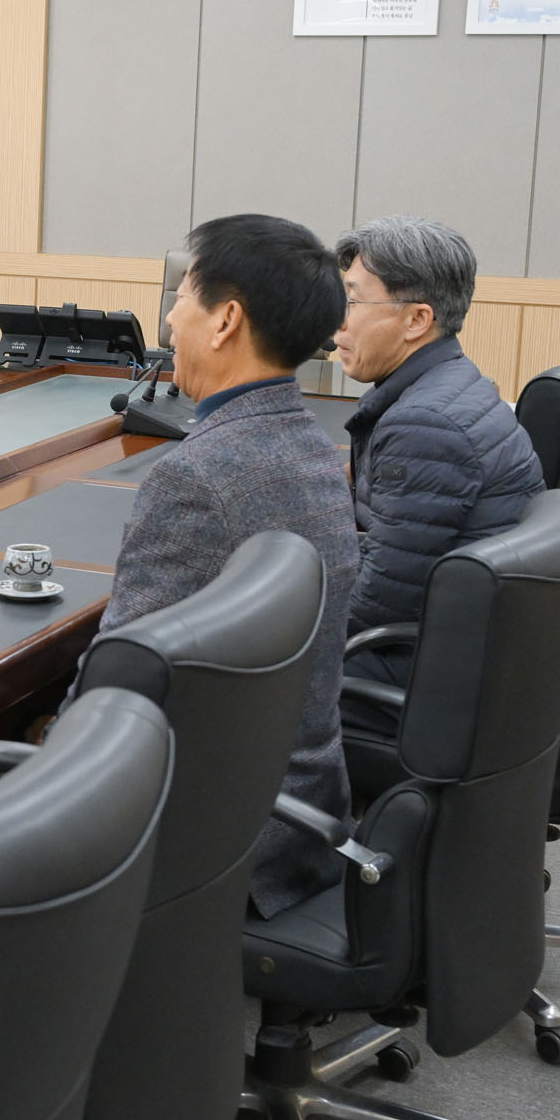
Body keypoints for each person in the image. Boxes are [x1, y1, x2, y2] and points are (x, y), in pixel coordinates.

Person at [89, 214, 357, 919]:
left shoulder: (197, 476)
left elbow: (115, 690)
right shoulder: (312, 444)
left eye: (182, 298)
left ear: (225, 320)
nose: (169, 318)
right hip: (302, 808)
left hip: (221, 838)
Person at [332, 215, 543, 702]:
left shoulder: (426, 426)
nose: (338, 320)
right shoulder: (449, 382)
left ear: (416, 320)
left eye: (354, 301)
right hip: (460, 645)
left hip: (425, 673)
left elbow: (379, 601)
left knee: (216, 673)